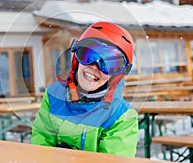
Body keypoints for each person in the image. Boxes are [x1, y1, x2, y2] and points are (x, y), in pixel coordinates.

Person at [31, 21, 139, 157]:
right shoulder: (53, 97)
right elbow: (40, 150)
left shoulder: (121, 117)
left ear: (117, 75)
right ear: (76, 58)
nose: (94, 66)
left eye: (109, 64)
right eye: (88, 54)